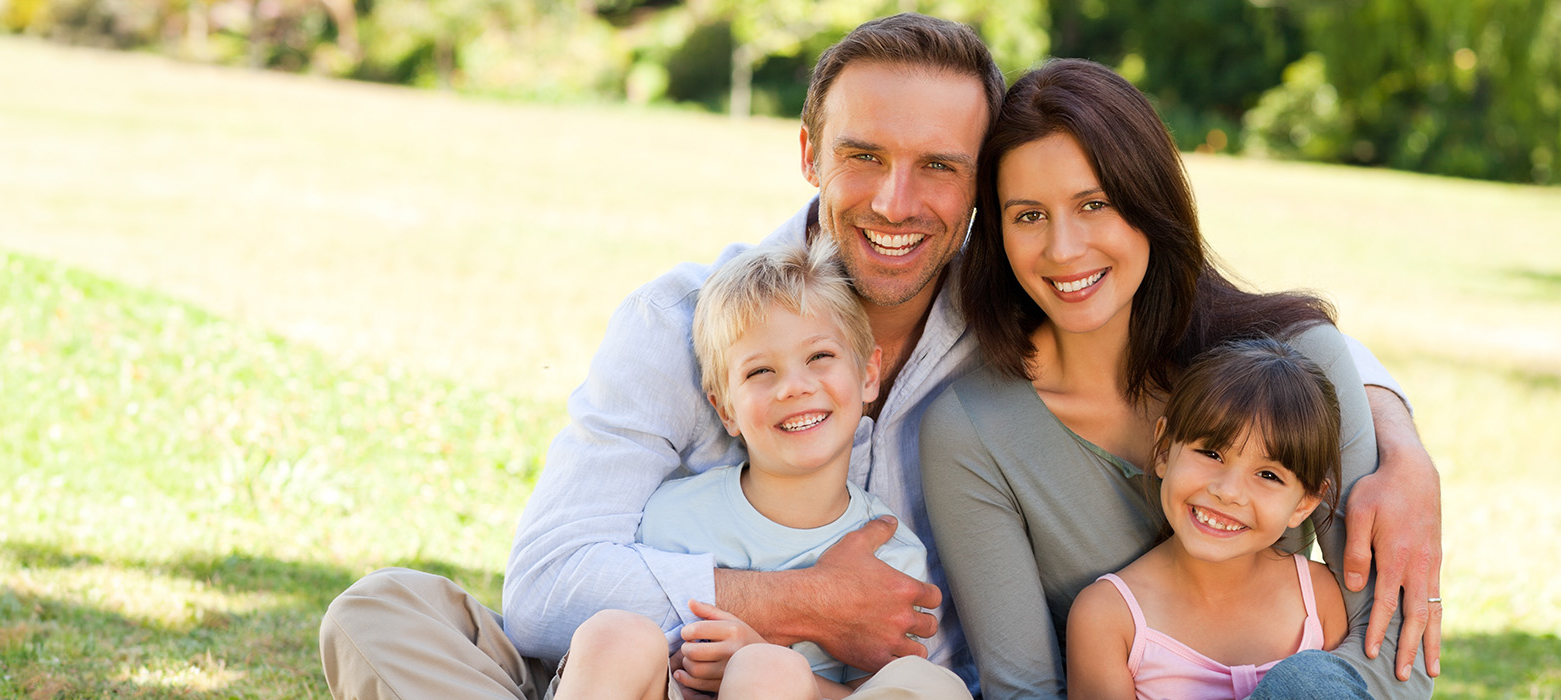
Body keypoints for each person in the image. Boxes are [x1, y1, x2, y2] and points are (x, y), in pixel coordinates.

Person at [320, 15, 1443, 700]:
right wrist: (806, 602)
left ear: (980, 186)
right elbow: (545, 588)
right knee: (381, 613)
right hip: (642, 672)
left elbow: (1245, 325)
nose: (897, 203)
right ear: (809, 150)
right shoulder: (680, 322)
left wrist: (1392, 431)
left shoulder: (1010, 317)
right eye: (864, 156)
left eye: (939, 168)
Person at [919, 58, 1433, 700]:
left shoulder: (1301, 358)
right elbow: (1025, 690)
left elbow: (1394, 649)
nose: (1063, 248)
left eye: (1095, 204)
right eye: (1028, 215)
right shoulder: (973, 432)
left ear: (1150, 203)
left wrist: (1404, 448)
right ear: (996, 232)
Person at [554, 239, 971, 700]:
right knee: (615, 633)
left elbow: (877, 691)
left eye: (819, 357)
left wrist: (760, 659)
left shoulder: (890, 559)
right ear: (725, 409)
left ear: (868, 374)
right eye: (759, 372)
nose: (794, 387)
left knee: (773, 669)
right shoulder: (669, 517)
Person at [1066, 338, 1353, 700]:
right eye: (1211, 453)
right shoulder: (1108, 617)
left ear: (1305, 504)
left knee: (1309, 681)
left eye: (1268, 475)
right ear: (1164, 450)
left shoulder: (1318, 597)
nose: (1228, 491)